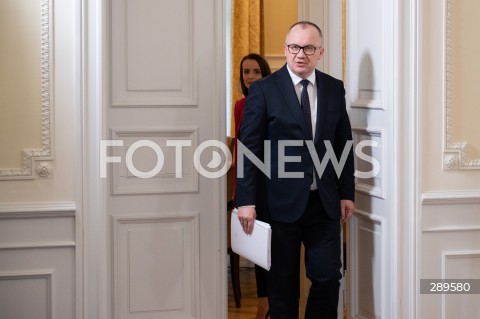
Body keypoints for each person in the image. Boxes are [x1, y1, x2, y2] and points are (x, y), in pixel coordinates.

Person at [235, 21, 355, 319]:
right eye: (294, 47)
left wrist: (346, 192)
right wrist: (245, 200)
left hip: (323, 203)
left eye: (308, 48)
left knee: (328, 278)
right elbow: (248, 148)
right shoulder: (263, 90)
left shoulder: (333, 88)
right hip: (277, 205)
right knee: (282, 287)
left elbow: (343, 143)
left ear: (320, 52)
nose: (300, 54)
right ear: (286, 49)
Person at [233, 53, 272, 319]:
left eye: (256, 71)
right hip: (250, 183)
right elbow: (241, 146)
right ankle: (263, 304)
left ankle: (272, 304)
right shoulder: (239, 105)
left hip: (272, 180)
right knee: (258, 243)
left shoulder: (274, 101)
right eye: (246, 72)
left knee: (274, 244)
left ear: (264, 74)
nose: (250, 77)